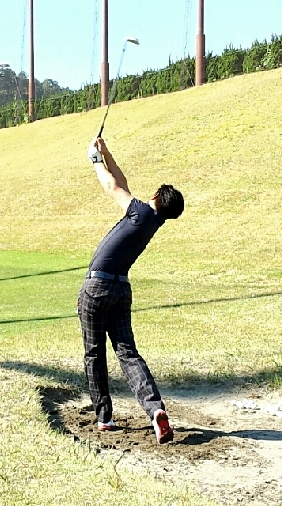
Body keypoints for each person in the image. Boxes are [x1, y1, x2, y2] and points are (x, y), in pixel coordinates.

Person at [78, 137, 184, 444]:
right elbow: (122, 184)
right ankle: (155, 411)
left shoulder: (139, 213)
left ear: (154, 196)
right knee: (128, 354)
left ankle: (104, 417)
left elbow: (112, 187)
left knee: (94, 353)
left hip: (96, 287)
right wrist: (106, 152)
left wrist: (94, 161)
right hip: (121, 290)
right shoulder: (152, 219)